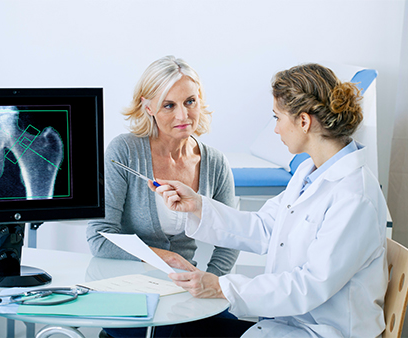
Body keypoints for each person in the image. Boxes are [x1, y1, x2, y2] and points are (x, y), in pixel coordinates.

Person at [153, 63, 389, 338]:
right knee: (177, 329)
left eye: (277, 118)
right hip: (287, 324)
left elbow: (309, 286)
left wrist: (222, 287)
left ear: (303, 121)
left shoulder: (354, 196)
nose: (276, 129)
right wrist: (197, 206)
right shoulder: (309, 172)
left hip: (324, 332)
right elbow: (264, 227)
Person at [86, 55, 239, 338]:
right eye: (169, 105)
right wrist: (164, 257)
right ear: (148, 107)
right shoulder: (125, 152)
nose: (183, 116)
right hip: (130, 290)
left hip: (188, 294)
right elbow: (99, 237)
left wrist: (210, 283)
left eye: (190, 102)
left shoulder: (215, 162)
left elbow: (232, 238)